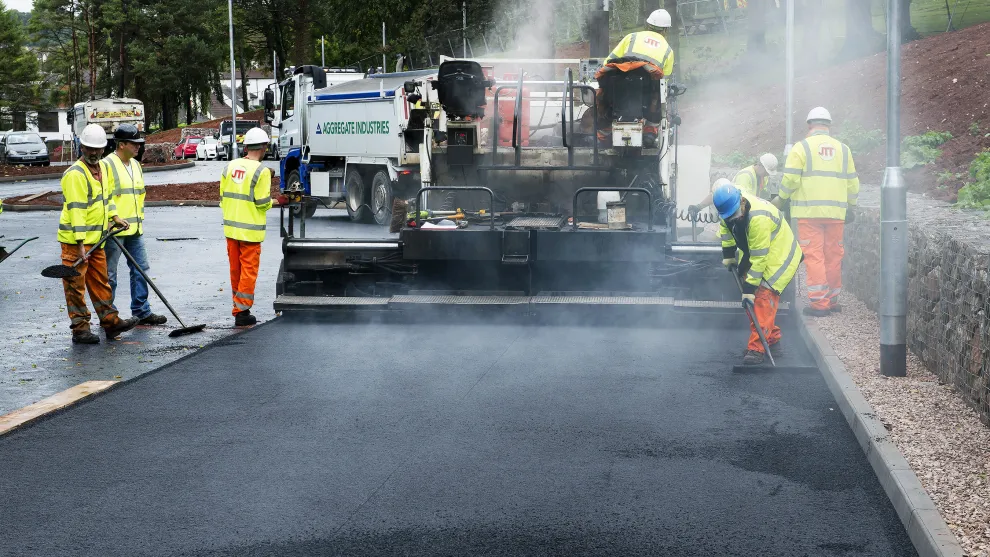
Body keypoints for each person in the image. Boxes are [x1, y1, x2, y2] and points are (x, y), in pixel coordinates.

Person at [773, 107, 860, 316]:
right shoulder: (843, 149)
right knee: (833, 256)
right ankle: (832, 300)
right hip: (837, 214)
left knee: (814, 257)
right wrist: (852, 206)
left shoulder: (801, 148)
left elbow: (791, 179)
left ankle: (819, 305)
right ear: (828, 126)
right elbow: (853, 183)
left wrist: (781, 198)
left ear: (809, 125)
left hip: (809, 213)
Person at [58, 123, 139, 344]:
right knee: (75, 286)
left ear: (104, 149)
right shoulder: (75, 174)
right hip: (76, 243)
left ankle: (111, 323)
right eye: (89, 149)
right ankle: (80, 329)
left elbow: (107, 199)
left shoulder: (103, 169)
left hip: (98, 240)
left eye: (97, 149)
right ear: (82, 148)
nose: (93, 153)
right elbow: (77, 210)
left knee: (101, 282)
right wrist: (81, 243)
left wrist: (115, 217)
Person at [713, 179, 803, 365]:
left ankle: (756, 350)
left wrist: (749, 288)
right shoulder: (729, 211)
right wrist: (729, 254)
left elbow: (760, 258)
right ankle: (772, 340)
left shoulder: (758, 218)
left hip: (779, 256)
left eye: (736, 215)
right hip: (759, 252)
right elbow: (726, 229)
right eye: (730, 216)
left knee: (761, 297)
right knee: (753, 302)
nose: (735, 218)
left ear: (742, 202)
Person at [103, 124, 168, 326]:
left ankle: (141, 311)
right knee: (110, 274)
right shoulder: (107, 165)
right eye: (134, 143)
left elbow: (138, 197)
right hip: (115, 229)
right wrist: (114, 217)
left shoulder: (136, 165)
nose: (139, 147)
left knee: (141, 268)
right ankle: (108, 316)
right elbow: (105, 196)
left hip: (134, 229)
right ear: (121, 144)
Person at [220, 127, 273, 326]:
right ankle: (242, 312)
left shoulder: (230, 166)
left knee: (236, 270)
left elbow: (223, 197)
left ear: (246, 147)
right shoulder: (262, 171)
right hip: (250, 232)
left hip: (231, 229)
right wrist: (276, 201)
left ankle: (238, 308)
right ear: (264, 147)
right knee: (248, 271)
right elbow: (262, 203)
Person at [688, 153, 779, 215]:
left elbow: (759, 196)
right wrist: (699, 207)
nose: (768, 174)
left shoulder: (762, 177)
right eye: (767, 171)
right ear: (760, 165)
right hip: (736, 213)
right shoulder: (746, 176)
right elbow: (739, 201)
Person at [605, 9, 675, 77]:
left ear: (648, 24)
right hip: (649, 88)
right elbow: (664, 79)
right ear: (666, 29)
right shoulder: (668, 51)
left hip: (622, 84)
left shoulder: (631, 37)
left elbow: (609, 61)